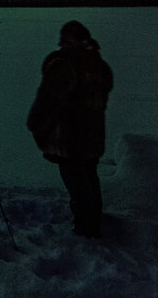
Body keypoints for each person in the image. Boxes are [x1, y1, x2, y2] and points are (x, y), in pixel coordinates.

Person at [27, 20, 114, 238]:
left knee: (78, 185)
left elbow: (49, 101)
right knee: (89, 181)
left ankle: (86, 231)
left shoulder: (64, 65)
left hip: (71, 139)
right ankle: (92, 222)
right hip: (92, 138)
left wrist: (36, 125)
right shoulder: (97, 64)